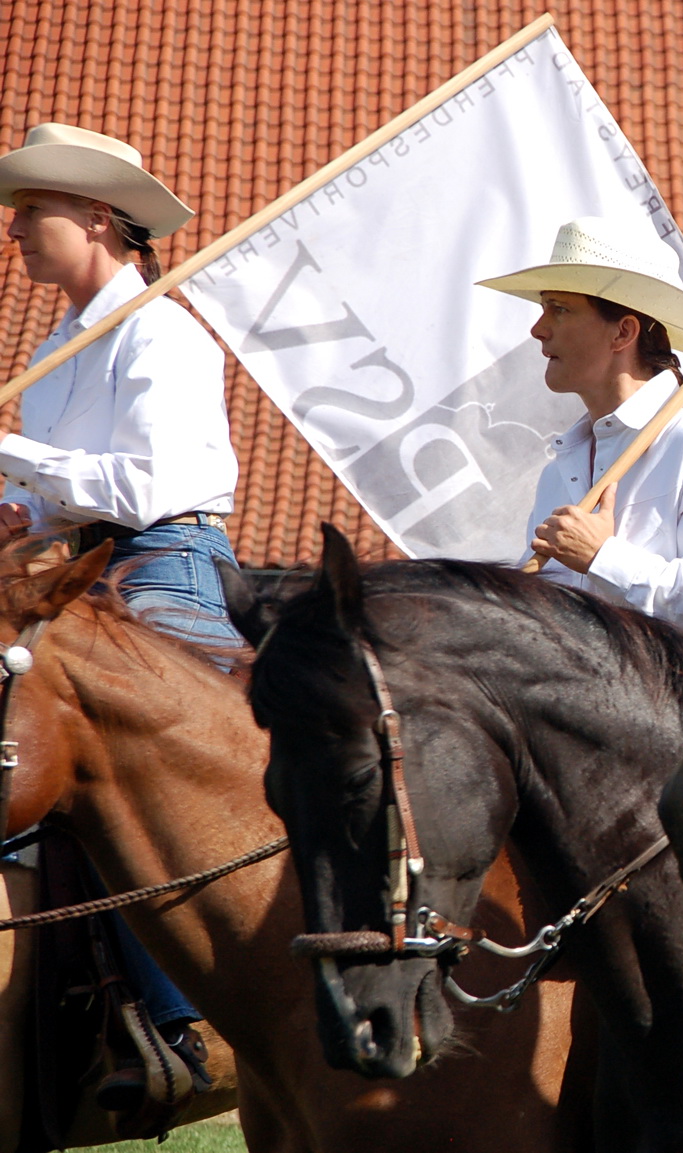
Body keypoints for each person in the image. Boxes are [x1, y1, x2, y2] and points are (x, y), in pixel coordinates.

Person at [0, 123, 232, 1114]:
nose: (13, 228)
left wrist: (18, 453)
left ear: (96, 217)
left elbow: (157, 484)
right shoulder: (57, 349)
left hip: (167, 563)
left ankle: (187, 1019)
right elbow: (60, 499)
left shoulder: (163, 334)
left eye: (29, 210)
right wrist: (22, 507)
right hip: (76, 569)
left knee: (108, 766)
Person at [478, 218, 683, 665]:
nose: (538, 329)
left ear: (623, 332)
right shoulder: (557, 472)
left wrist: (605, 558)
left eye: (559, 309)